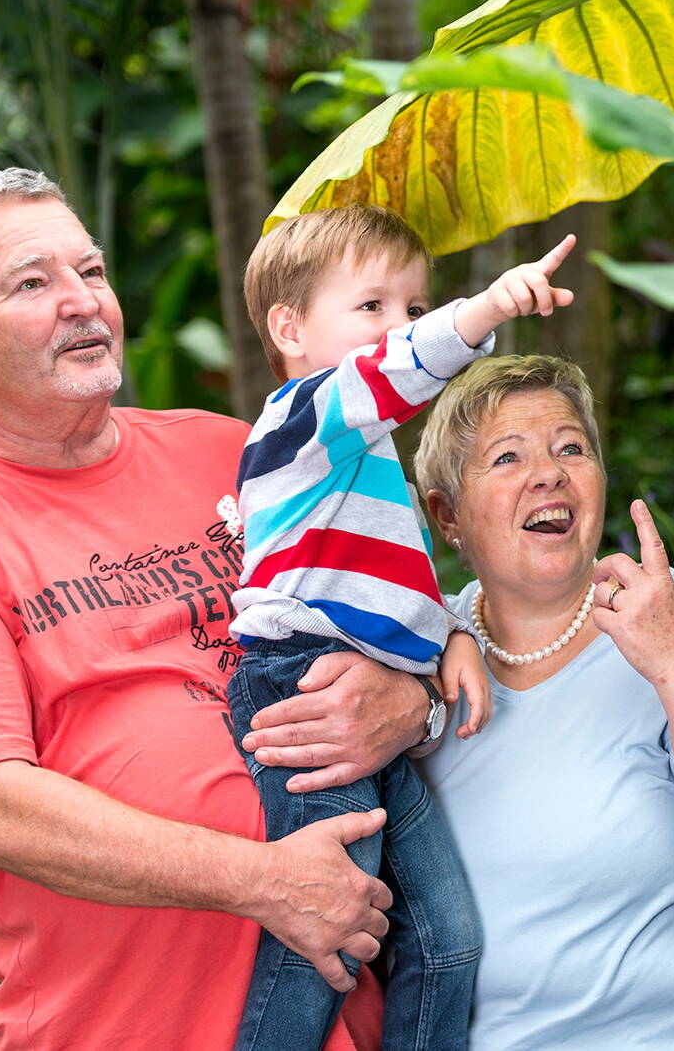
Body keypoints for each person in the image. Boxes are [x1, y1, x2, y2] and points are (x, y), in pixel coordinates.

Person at [0, 168, 437, 1050]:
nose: (83, 303)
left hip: (361, 1012)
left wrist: (410, 702)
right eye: (33, 283)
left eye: (91, 271)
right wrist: (261, 878)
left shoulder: (233, 451)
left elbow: (388, 599)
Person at [410, 354, 674, 1049]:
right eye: (508, 457)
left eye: (571, 448)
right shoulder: (418, 662)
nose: (547, 473)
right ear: (447, 515)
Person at [226, 204, 575, 1050]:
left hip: (370, 696)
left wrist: (448, 636)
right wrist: (486, 309)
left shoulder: (364, 460)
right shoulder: (304, 420)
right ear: (290, 329)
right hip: (303, 678)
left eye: (414, 309)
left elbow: (393, 591)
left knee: (447, 941)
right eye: (372, 308)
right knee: (325, 938)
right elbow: (393, 374)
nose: (400, 328)